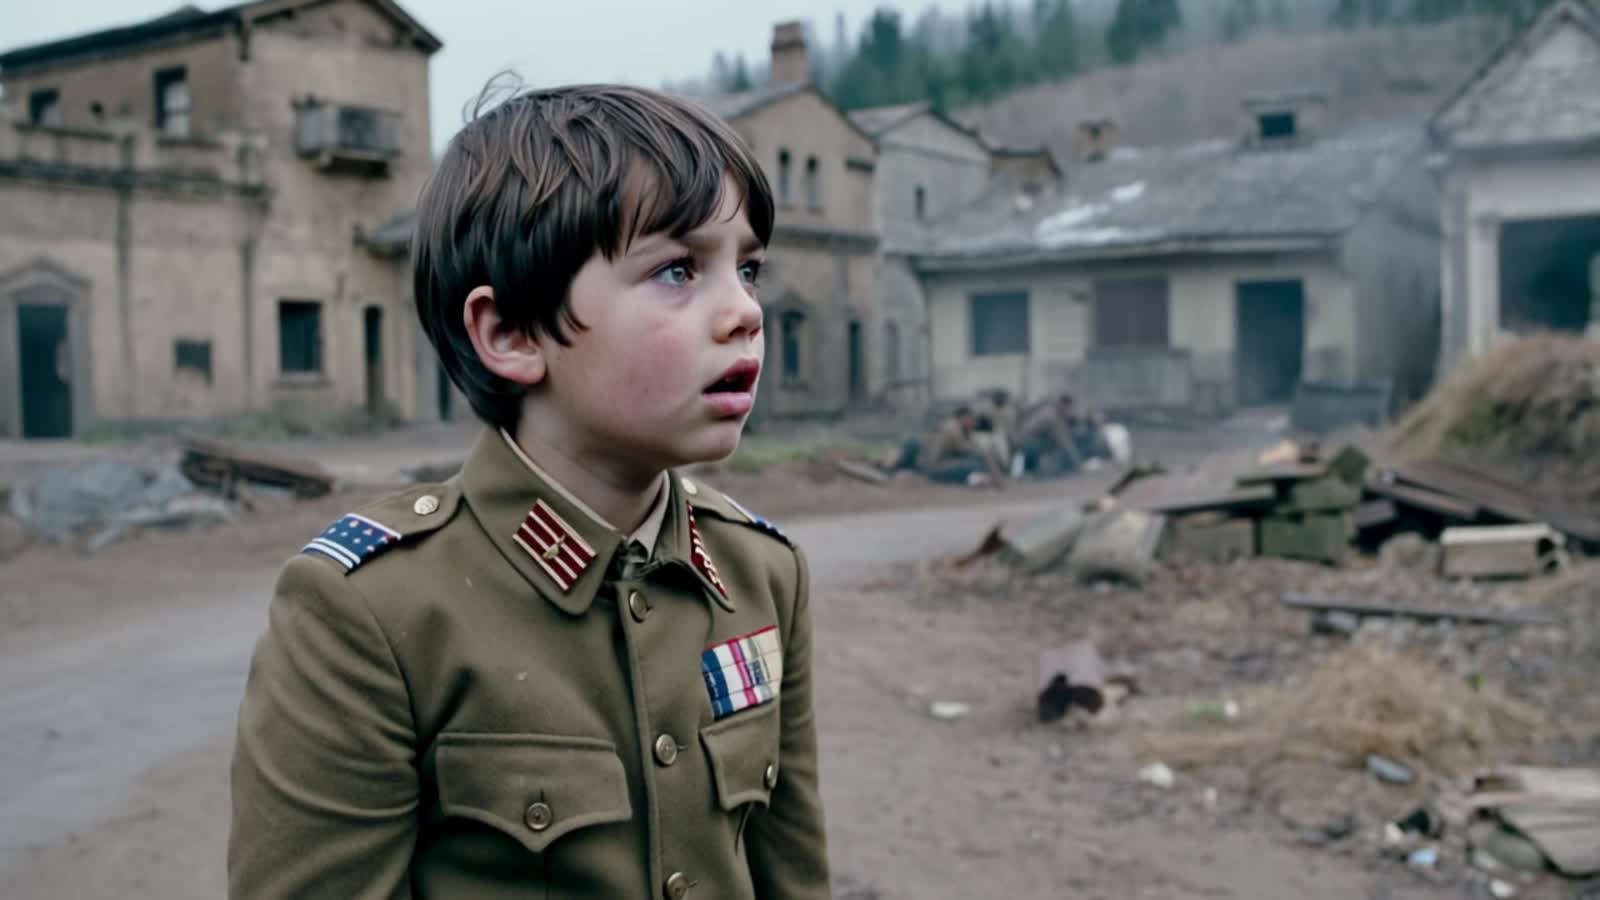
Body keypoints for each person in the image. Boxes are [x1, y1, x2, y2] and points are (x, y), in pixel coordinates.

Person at [227, 82, 829, 900]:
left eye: (748, 268)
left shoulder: (762, 574)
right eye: (677, 269)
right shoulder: (369, 613)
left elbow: (793, 877)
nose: (746, 312)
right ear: (509, 333)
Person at [890, 405, 1008, 486]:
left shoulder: (963, 430)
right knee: (972, 465)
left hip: (940, 463)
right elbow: (965, 449)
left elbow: (972, 448)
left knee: (976, 463)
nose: (974, 423)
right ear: (963, 418)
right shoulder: (952, 428)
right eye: (971, 419)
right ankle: (980, 480)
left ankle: (982, 479)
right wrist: (984, 454)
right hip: (934, 467)